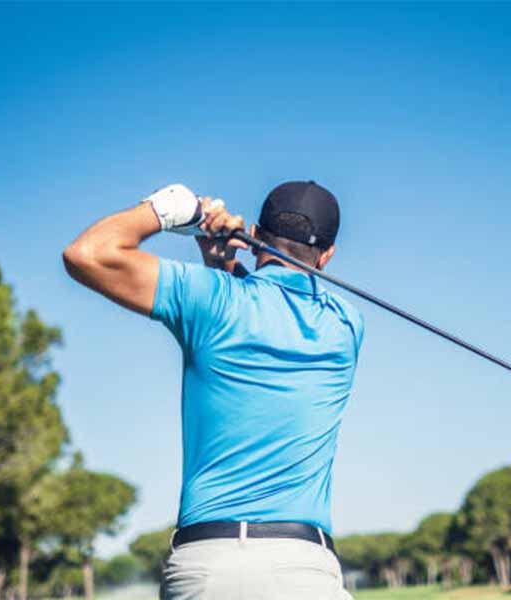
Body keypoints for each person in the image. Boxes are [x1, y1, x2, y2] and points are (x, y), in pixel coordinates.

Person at [63, 180, 363, 599]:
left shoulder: (209, 301)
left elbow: (87, 254)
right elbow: (264, 310)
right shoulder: (345, 326)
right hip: (302, 568)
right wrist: (223, 268)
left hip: (206, 567)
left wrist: (171, 210)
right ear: (327, 255)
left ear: (255, 235)